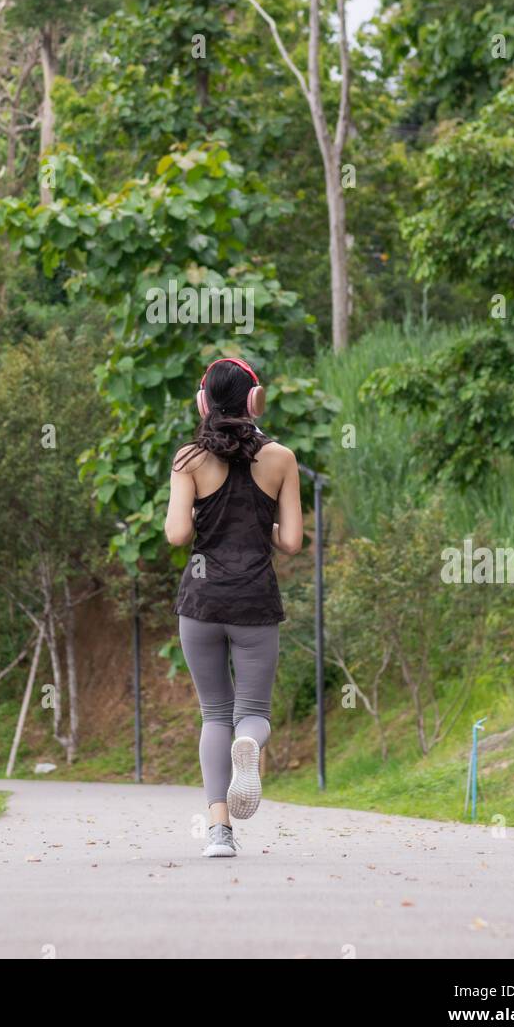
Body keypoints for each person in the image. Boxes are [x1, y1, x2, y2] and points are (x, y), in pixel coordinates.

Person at [165, 356, 303, 857]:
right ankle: (251, 746)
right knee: (252, 714)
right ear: (254, 400)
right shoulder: (282, 458)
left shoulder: (188, 459)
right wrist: (254, 524)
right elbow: (290, 541)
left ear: (204, 402)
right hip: (255, 602)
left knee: (213, 714)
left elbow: (179, 534)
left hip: (201, 603)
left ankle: (219, 833)